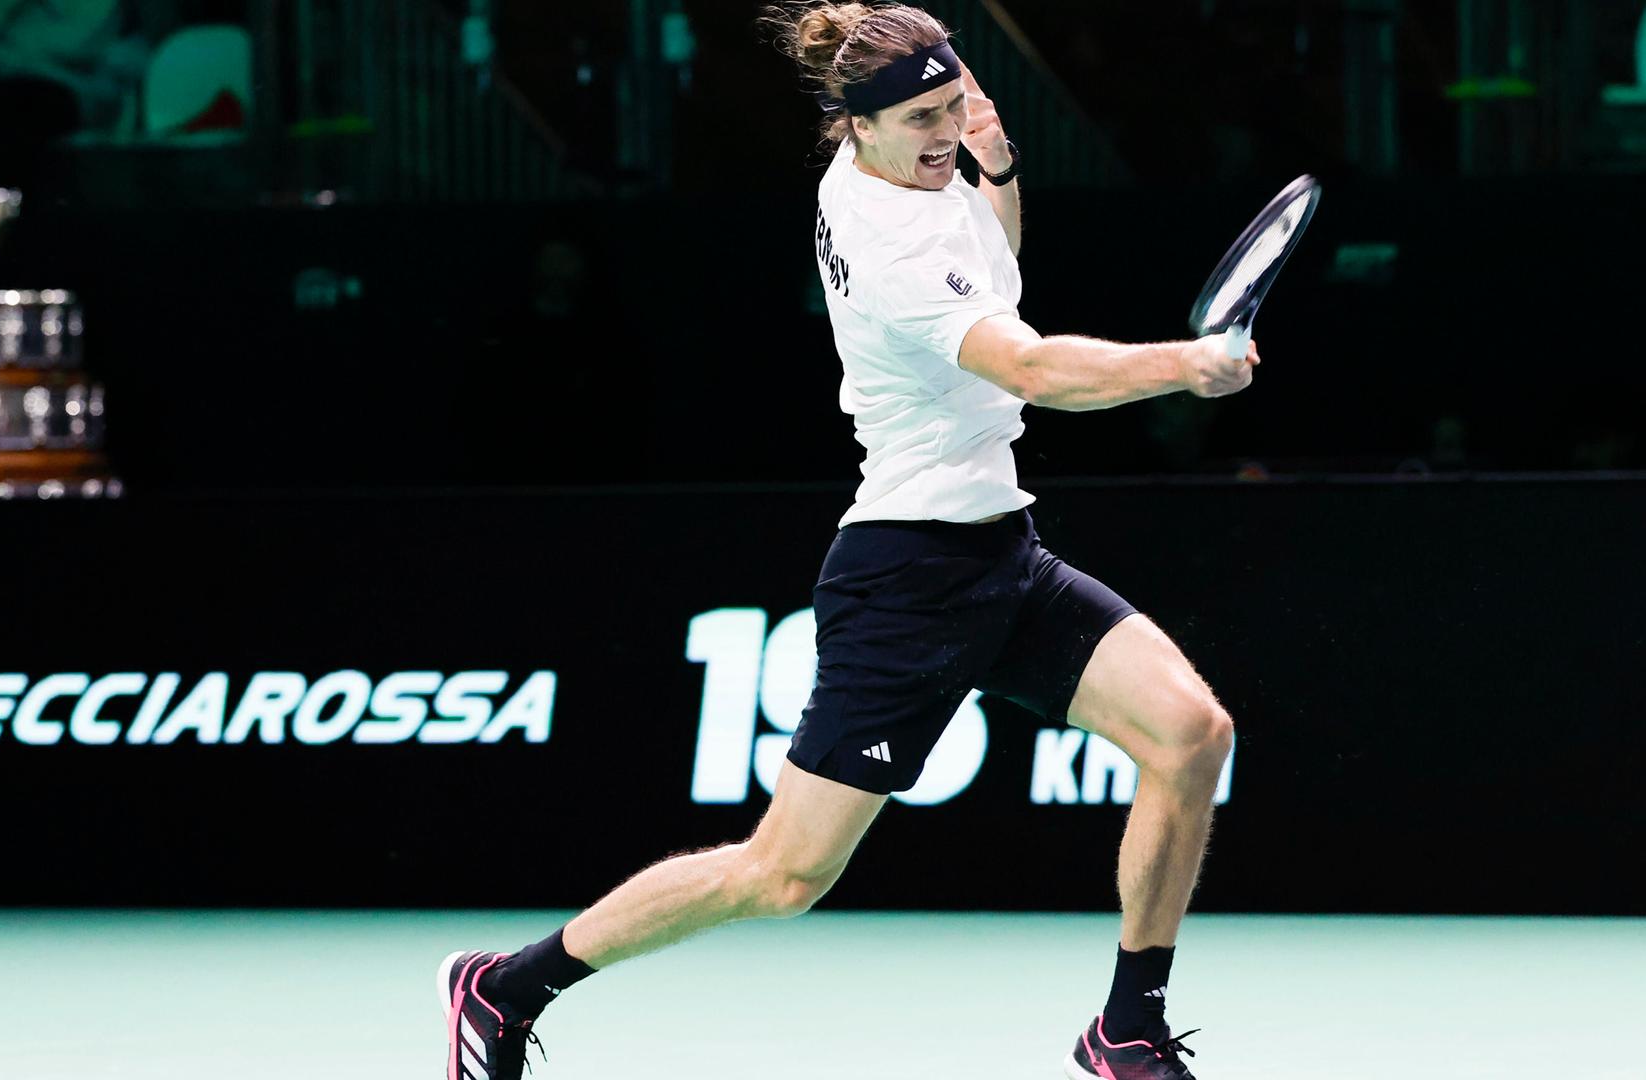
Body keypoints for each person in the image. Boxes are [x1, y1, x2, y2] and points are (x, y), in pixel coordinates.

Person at [438, 5, 1258, 1078]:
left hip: (1001, 553)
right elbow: (1029, 368)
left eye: (956, 103)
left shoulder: (915, 173)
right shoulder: (886, 239)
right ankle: (506, 987)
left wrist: (999, 167)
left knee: (1191, 735)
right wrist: (1183, 367)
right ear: (856, 125)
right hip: (908, 574)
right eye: (923, 118)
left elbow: (994, 272)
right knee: (782, 876)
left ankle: (1127, 1027)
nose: (945, 131)